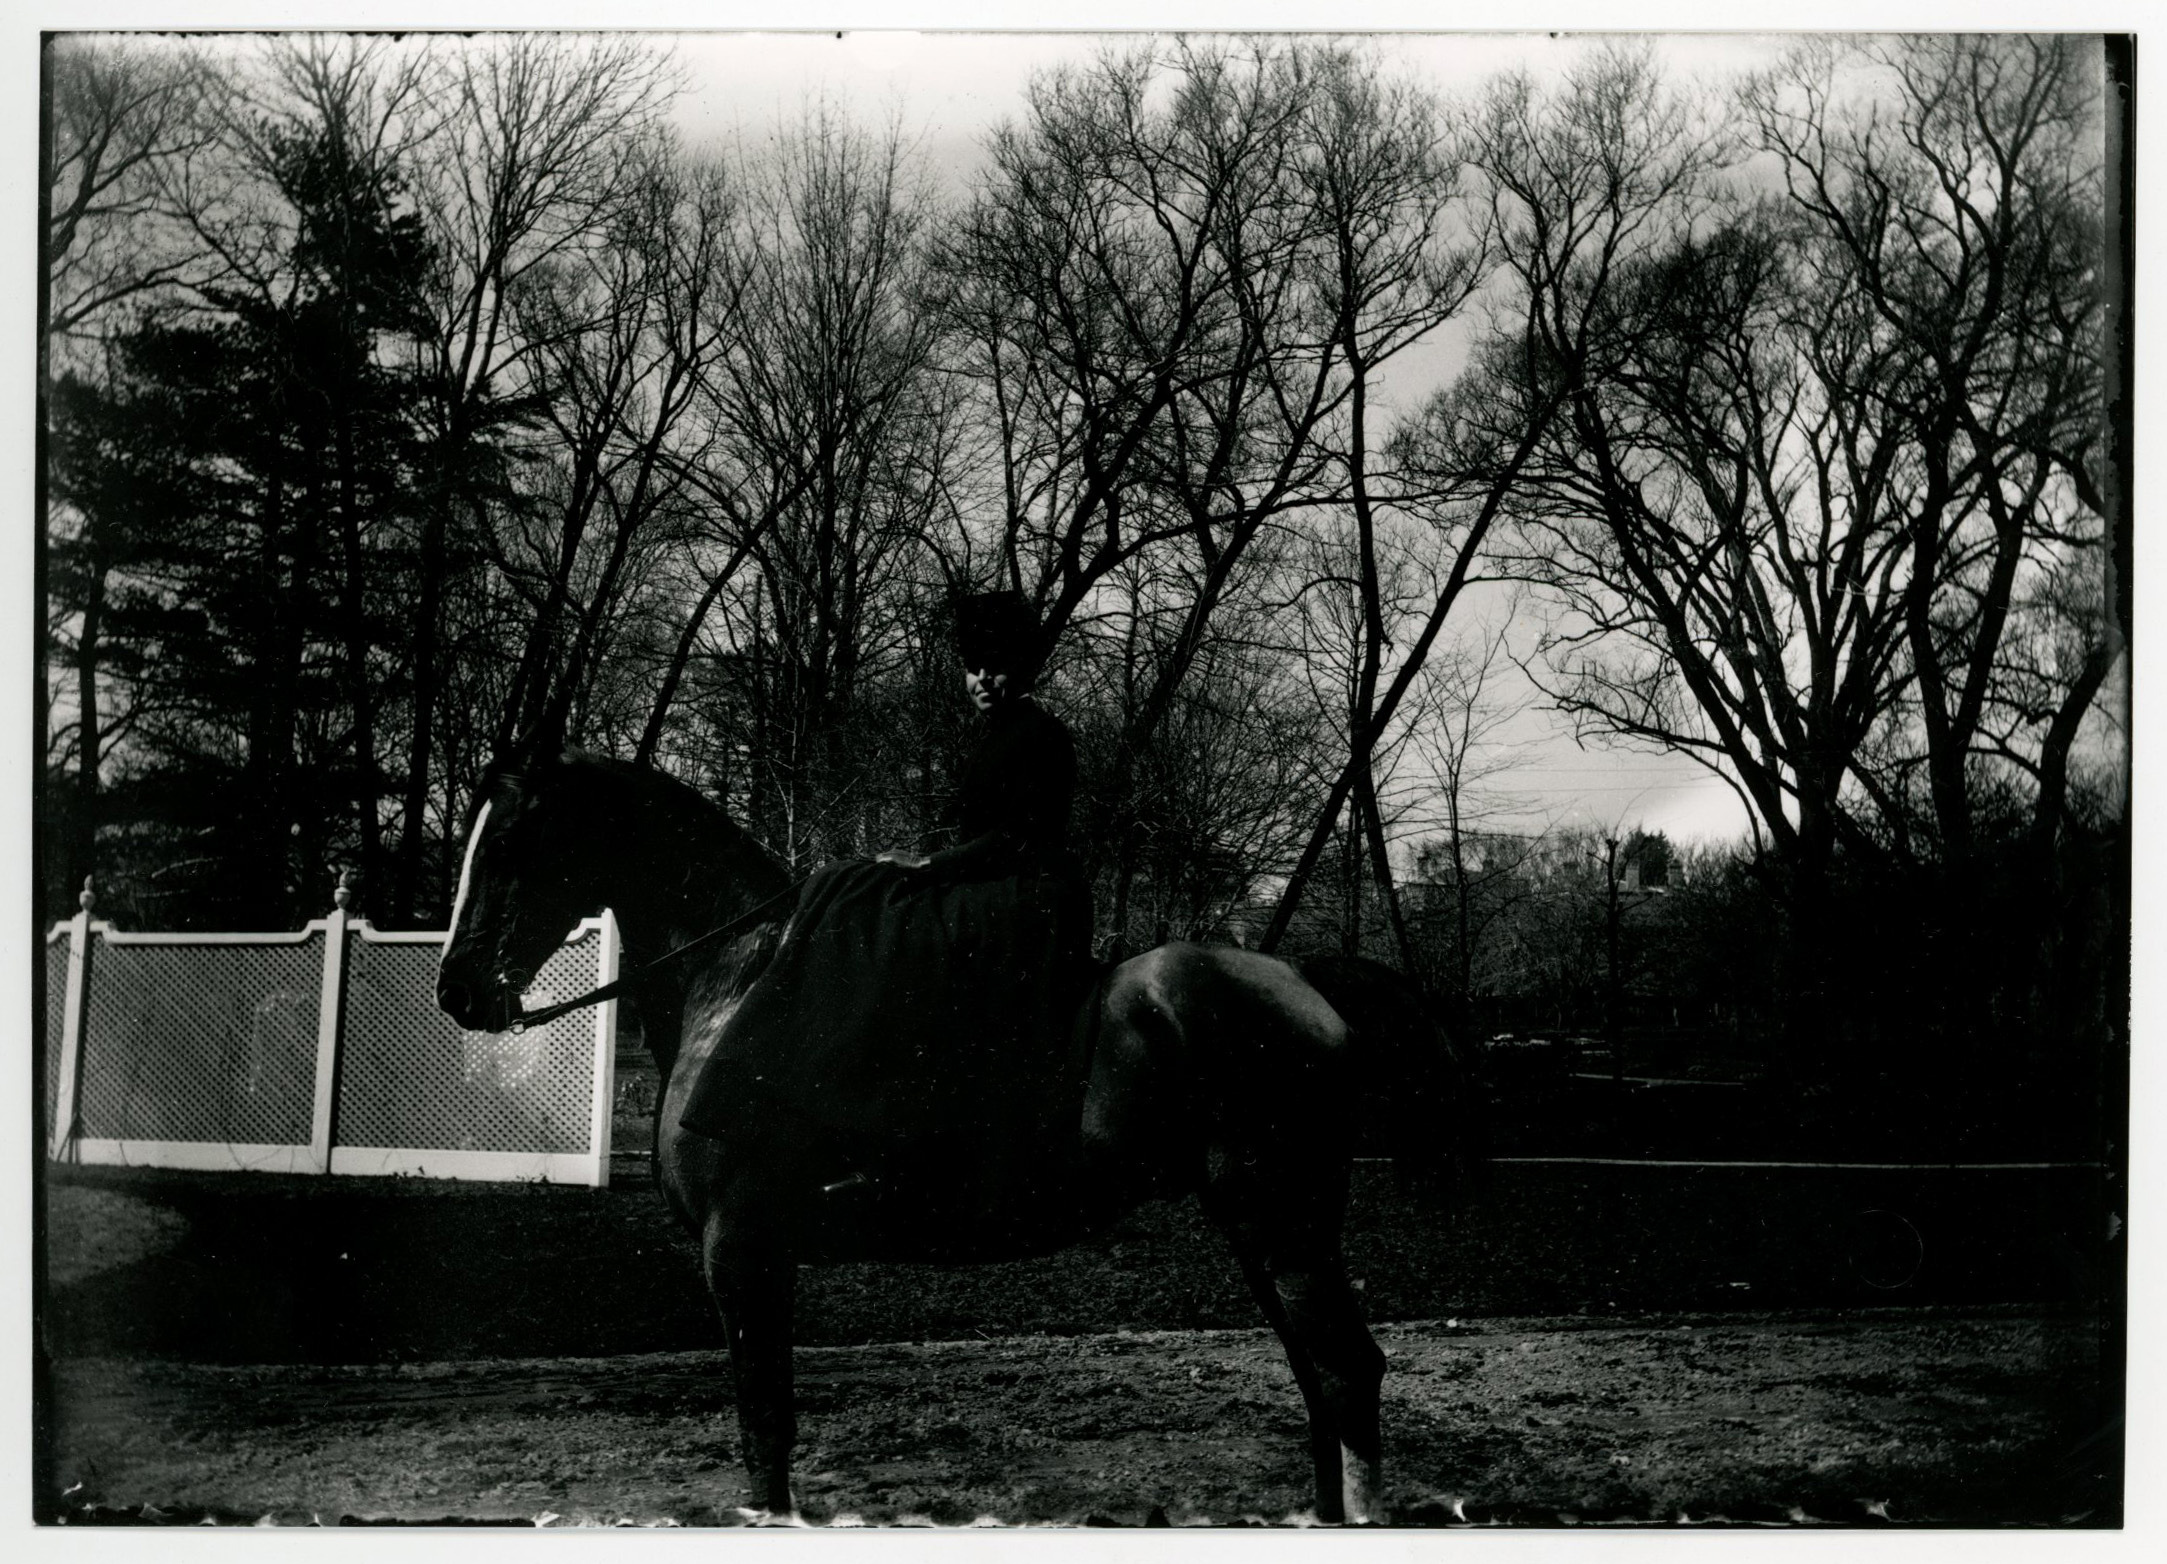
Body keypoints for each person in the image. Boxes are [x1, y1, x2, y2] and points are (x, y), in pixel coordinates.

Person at [678, 590, 1098, 1230]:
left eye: (997, 665)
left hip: (1033, 897)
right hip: (991, 884)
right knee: (844, 886)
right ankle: (792, 1098)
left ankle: (883, 1128)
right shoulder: (994, 736)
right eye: (973, 666)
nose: (982, 679)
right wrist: (924, 860)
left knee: (894, 927)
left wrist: (934, 867)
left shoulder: (1045, 737)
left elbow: (1022, 838)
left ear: (1026, 669)